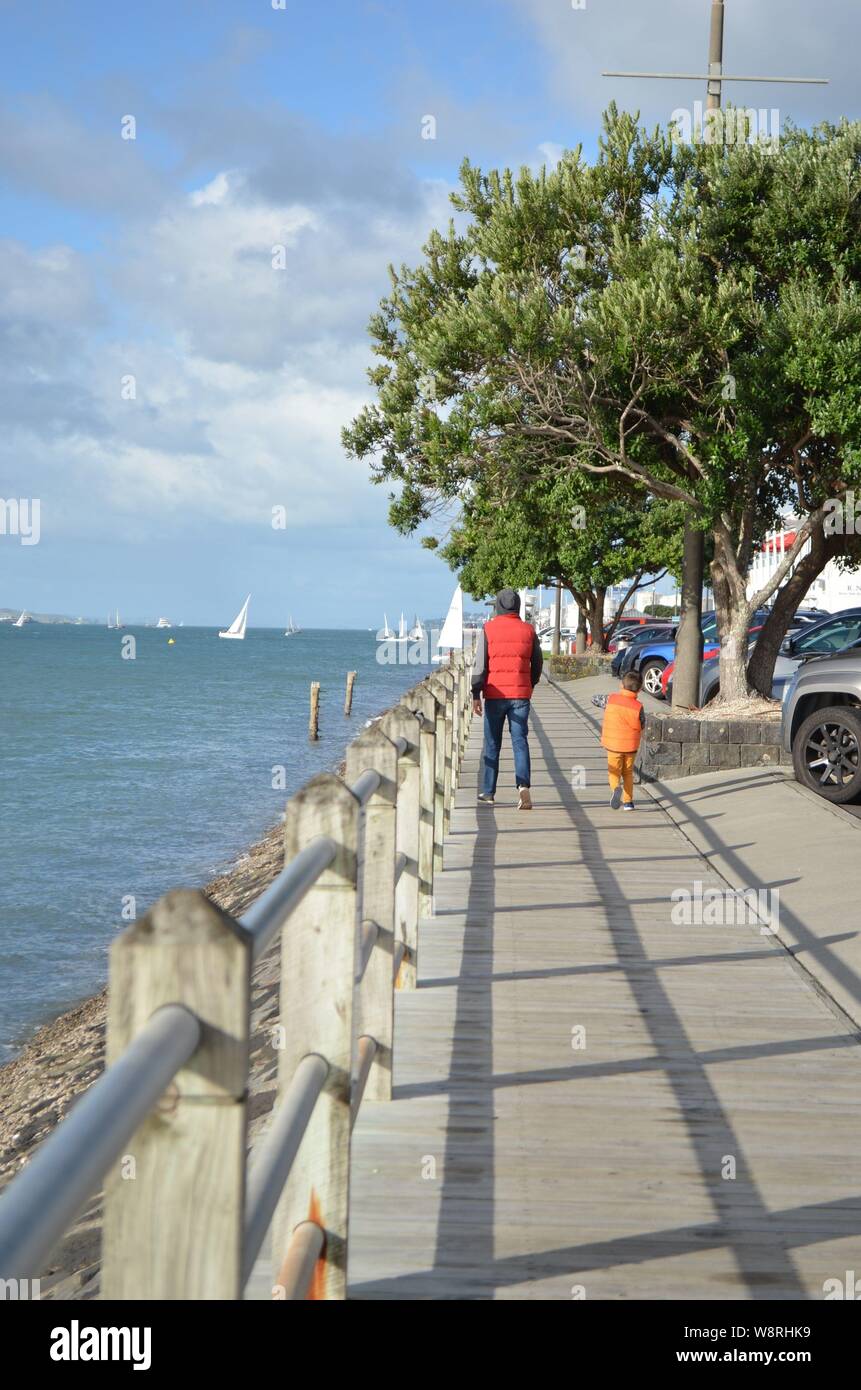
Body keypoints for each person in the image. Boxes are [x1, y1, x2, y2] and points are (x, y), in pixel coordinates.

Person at [471, 588, 543, 810]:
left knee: (492, 743)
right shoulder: (528, 631)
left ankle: (488, 792)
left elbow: (480, 665)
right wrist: (529, 684)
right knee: (520, 742)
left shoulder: (488, 629)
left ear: (499, 606)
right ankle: (523, 787)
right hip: (520, 696)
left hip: (494, 695)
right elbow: (538, 663)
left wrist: (475, 693)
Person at [600, 670, 645, 811]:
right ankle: (628, 802)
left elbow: (595, 699)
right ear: (640, 689)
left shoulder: (611, 700)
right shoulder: (639, 707)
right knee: (628, 773)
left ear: (621, 685)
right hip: (631, 746)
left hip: (613, 745)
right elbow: (642, 724)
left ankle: (615, 788)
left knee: (614, 772)